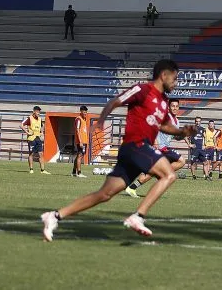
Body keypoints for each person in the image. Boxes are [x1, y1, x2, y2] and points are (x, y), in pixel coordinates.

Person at [40, 59, 196, 241]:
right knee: (169, 175)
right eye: (175, 79)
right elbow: (116, 101)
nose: (175, 83)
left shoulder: (163, 101)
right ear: (164, 75)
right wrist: (101, 120)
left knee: (104, 194)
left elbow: (165, 126)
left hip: (134, 151)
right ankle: (138, 216)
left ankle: (54, 216)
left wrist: (183, 132)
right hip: (136, 145)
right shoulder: (143, 90)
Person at [125, 99, 188, 197]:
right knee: (181, 161)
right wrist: (155, 141)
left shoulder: (176, 121)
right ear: (169, 107)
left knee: (152, 172)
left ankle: (131, 188)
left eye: (176, 106)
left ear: (179, 107)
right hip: (159, 148)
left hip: (164, 148)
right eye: (173, 106)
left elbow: (173, 136)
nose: (175, 108)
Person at [22, 106, 50, 174]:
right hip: (31, 138)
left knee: (41, 154)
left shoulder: (40, 119)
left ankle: (42, 170)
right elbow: (21, 125)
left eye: (39, 111)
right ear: (34, 111)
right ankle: (31, 169)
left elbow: (42, 126)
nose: (39, 113)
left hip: (38, 138)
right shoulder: (29, 118)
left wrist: (41, 132)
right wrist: (27, 132)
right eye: (37, 111)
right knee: (32, 154)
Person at [72, 105, 90, 178]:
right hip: (81, 141)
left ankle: (73, 172)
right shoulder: (78, 119)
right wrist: (80, 141)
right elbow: (77, 130)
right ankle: (79, 173)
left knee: (79, 156)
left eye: (86, 112)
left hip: (84, 141)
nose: (85, 113)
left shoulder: (84, 119)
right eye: (84, 112)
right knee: (80, 156)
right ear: (81, 111)